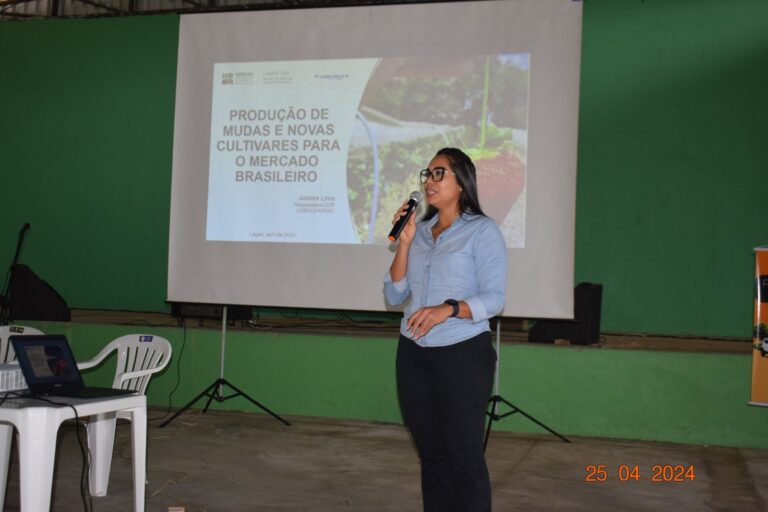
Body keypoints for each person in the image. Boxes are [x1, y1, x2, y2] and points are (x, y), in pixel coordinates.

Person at [383, 147, 507, 512]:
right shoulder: (418, 233)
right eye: (427, 173)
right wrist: (403, 245)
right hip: (413, 354)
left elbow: (494, 298)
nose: (429, 181)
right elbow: (394, 293)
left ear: (462, 182)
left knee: (463, 455)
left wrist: (448, 309)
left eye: (439, 174)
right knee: (432, 454)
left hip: (463, 353)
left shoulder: (482, 231)